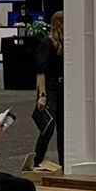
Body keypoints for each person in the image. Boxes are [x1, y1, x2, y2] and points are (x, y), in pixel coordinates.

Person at [30, 10, 65, 170]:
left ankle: (65, 163)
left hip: (63, 88)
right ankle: (37, 161)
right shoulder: (47, 43)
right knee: (48, 127)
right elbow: (41, 71)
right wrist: (42, 95)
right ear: (58, 24)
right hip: (50, 89)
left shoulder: (66, 45)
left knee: (64, 129)